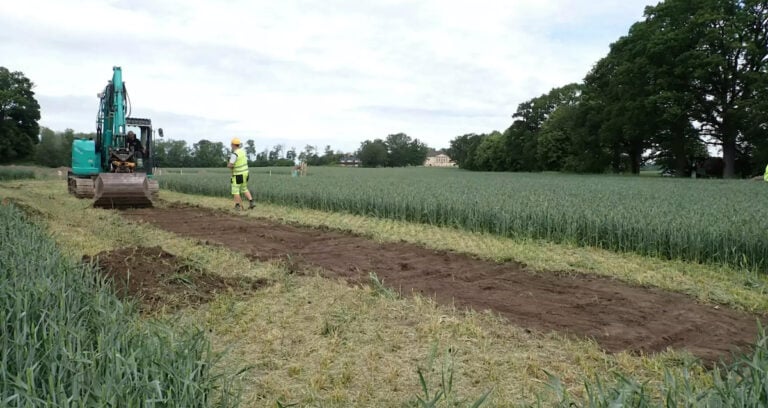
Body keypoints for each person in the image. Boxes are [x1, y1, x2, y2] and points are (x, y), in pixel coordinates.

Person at [228, 137, 255, 210]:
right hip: (246, 173)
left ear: (233, 145)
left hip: (238, 175)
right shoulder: (243, 152)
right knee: (244, 188)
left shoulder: (234, 154)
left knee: (235, 190)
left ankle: (237, 206)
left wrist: (229, 165)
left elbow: (230, 165)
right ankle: (251, 202)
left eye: (231, 144)